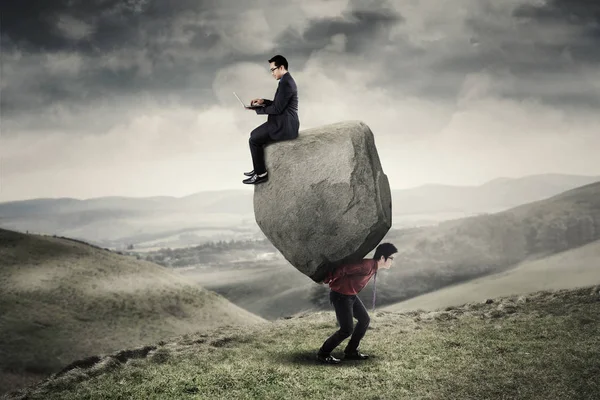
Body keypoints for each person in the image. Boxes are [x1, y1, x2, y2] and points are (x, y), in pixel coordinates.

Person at [317, 242, 398, 364]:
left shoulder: (373, 267)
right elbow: (344, 269)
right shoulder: (366, 266)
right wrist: (328, 278)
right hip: (340, 296)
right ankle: (323, 353)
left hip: (350, 295)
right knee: (346, 329)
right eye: (391, 258)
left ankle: (351, 351)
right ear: (382, 258)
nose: (392, 261)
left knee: (364, 320)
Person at [242, 54, 299, 185]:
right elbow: (279, 104)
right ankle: (258, 168)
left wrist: (256, 109)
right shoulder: (286, 81)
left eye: (273, 69)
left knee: (254, 139)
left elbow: (277, 109)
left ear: (281, 67)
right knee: (254, 135)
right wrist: (263, 101)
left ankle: (261, 174)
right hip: (284, 122)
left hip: (284, 126)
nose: (272, 73)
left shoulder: (286, 83)